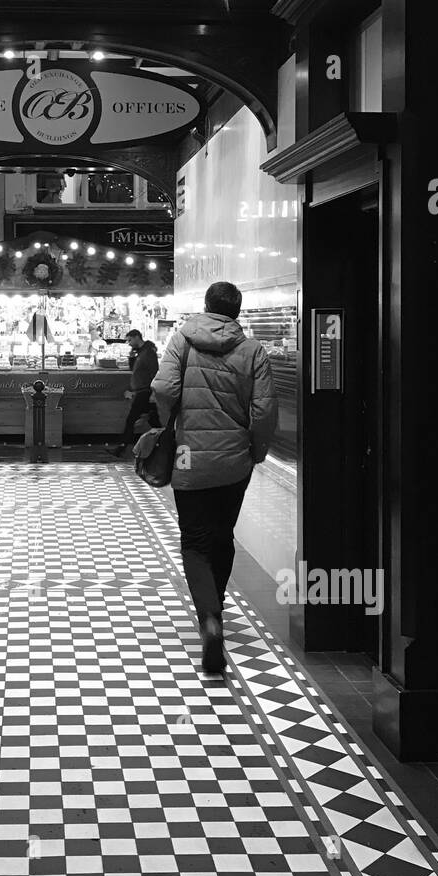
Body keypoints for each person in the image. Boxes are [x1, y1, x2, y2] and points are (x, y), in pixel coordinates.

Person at [151, 281, 278, 675]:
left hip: (189, 457)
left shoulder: (181, 340)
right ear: (237, 311)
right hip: (234, 461)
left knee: (195, 539)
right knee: (223, 535)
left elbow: (163, 387)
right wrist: (256, 450)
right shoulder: (253, 351)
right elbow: (265, 409)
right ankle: (216, 608)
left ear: (207, 306)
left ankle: (209, 618)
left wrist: (168, 422)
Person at [108, 329, 159, 457]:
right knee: (154, 420)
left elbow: (154, 371)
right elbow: (136, 370)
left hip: (145, 391)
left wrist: (153, 392)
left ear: (137, 337)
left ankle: (121, 448)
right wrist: (131, 358)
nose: (129, 343)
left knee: (131, 420)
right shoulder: (141, 352)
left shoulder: (148, 352)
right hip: (142, 391)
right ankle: (166, 442)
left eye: (130, 340)